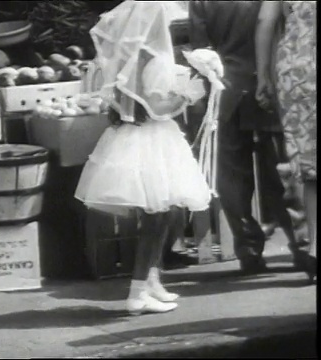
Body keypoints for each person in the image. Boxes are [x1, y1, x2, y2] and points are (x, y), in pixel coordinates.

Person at [75, 1, 213, 315]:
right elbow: (156, 107)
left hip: (143, 138)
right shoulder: (153, 59)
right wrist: (188, 94)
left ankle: (151, 281)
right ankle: (137, 291)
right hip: (151, 139)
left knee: (164, 214)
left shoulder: (131, 58)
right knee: (156, 217)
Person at [188, 1, 302, 274]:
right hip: (269, 84)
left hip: (225, 89)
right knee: (281, 172)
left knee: (232, 178)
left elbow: (200, 50)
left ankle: (248, 249)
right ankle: (303, 246)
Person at [255, 1, 317, 283]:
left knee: (310, 165)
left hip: (294, 70)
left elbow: (264, 22)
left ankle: (316, 244)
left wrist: (263, 75)